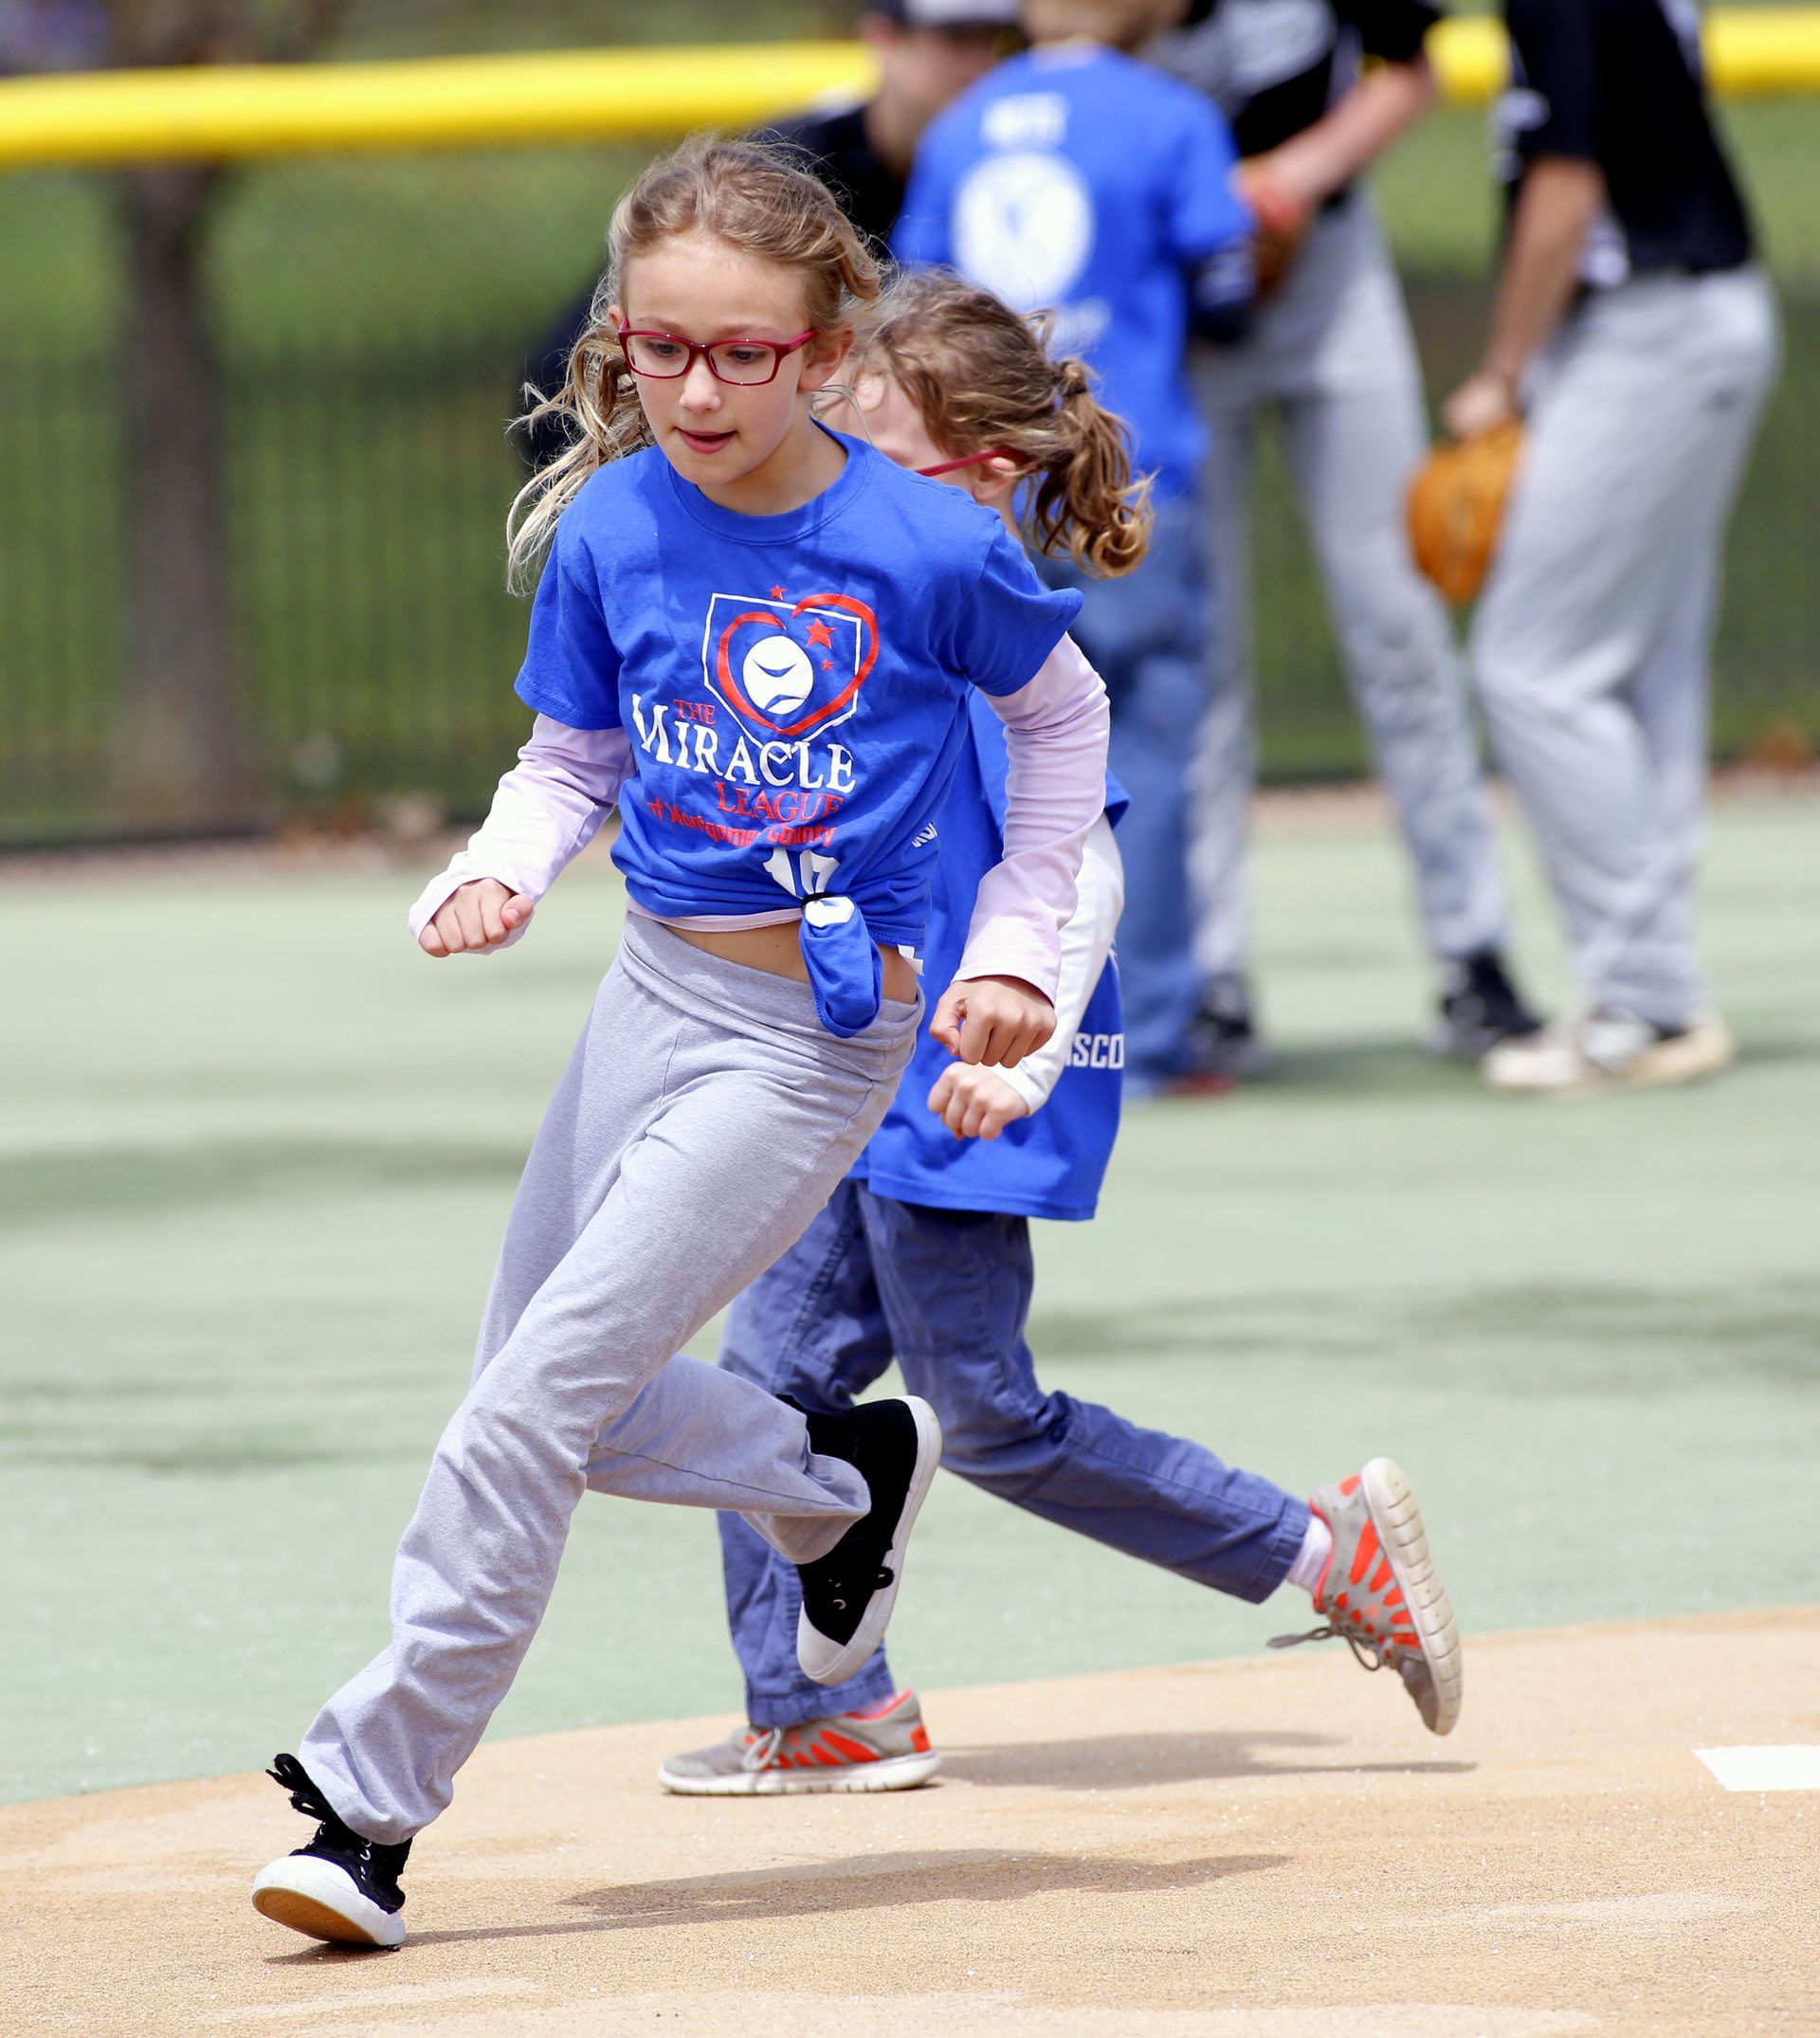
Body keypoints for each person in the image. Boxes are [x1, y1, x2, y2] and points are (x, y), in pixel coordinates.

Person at [248, 136, 1114, 1950]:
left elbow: (1060, 723)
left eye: (744, 354)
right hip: (647, 990)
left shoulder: (920, 542)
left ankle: (369, 1804)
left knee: (522, 1414)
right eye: (661, 349)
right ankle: (836, 1483)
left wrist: (1020, 946)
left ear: (821, 351)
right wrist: (503, 867)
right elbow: (572, 758)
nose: (699, 389)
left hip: (818, 1036)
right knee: (568, 1399)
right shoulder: (620, 525)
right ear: (620, 339)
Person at [657, 271, 1464, 1795]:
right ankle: (821, 1705)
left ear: (987, 475)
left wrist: (1014, 1058)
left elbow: (1079, 869)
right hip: (865, 1076)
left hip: (966, 1086)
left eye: (872, 454)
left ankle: (1323, 1548)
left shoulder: (989, 631)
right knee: (765, 1390)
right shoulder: (871, 616)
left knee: (994, 1418)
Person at [1151, 0, 1541, 1076]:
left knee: (1399, 625)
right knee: (1199, 650)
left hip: (1327, 280)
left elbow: (1411, 68)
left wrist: (1287, 181)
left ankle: (1475, 952)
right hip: (1172, 304)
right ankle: (1211, 970)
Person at [894, 0, 1263, 1095]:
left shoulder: (962, 122)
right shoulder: (1174, 113)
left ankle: (961, 1017)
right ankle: (1133, 1035)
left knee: (979, 760)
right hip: (1126, 487)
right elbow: (1230, 298)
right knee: (1138, 756)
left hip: (986, 492)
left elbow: (915, 308)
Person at [1448, 0, 1777, 1095]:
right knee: (1637, 665)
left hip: (1651, 328)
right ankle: (1655, 989)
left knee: (1532, 662)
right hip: (1685, 318)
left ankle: (1647, 994)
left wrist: (1502, 374)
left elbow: (1567, 184)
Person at [520, 0, 1019, 469]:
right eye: (956, 40)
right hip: (625, 437)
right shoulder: (795, 171)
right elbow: (611, 364)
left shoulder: (1007, 169)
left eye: (997, 43)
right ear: (884, 39)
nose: (978, 65)